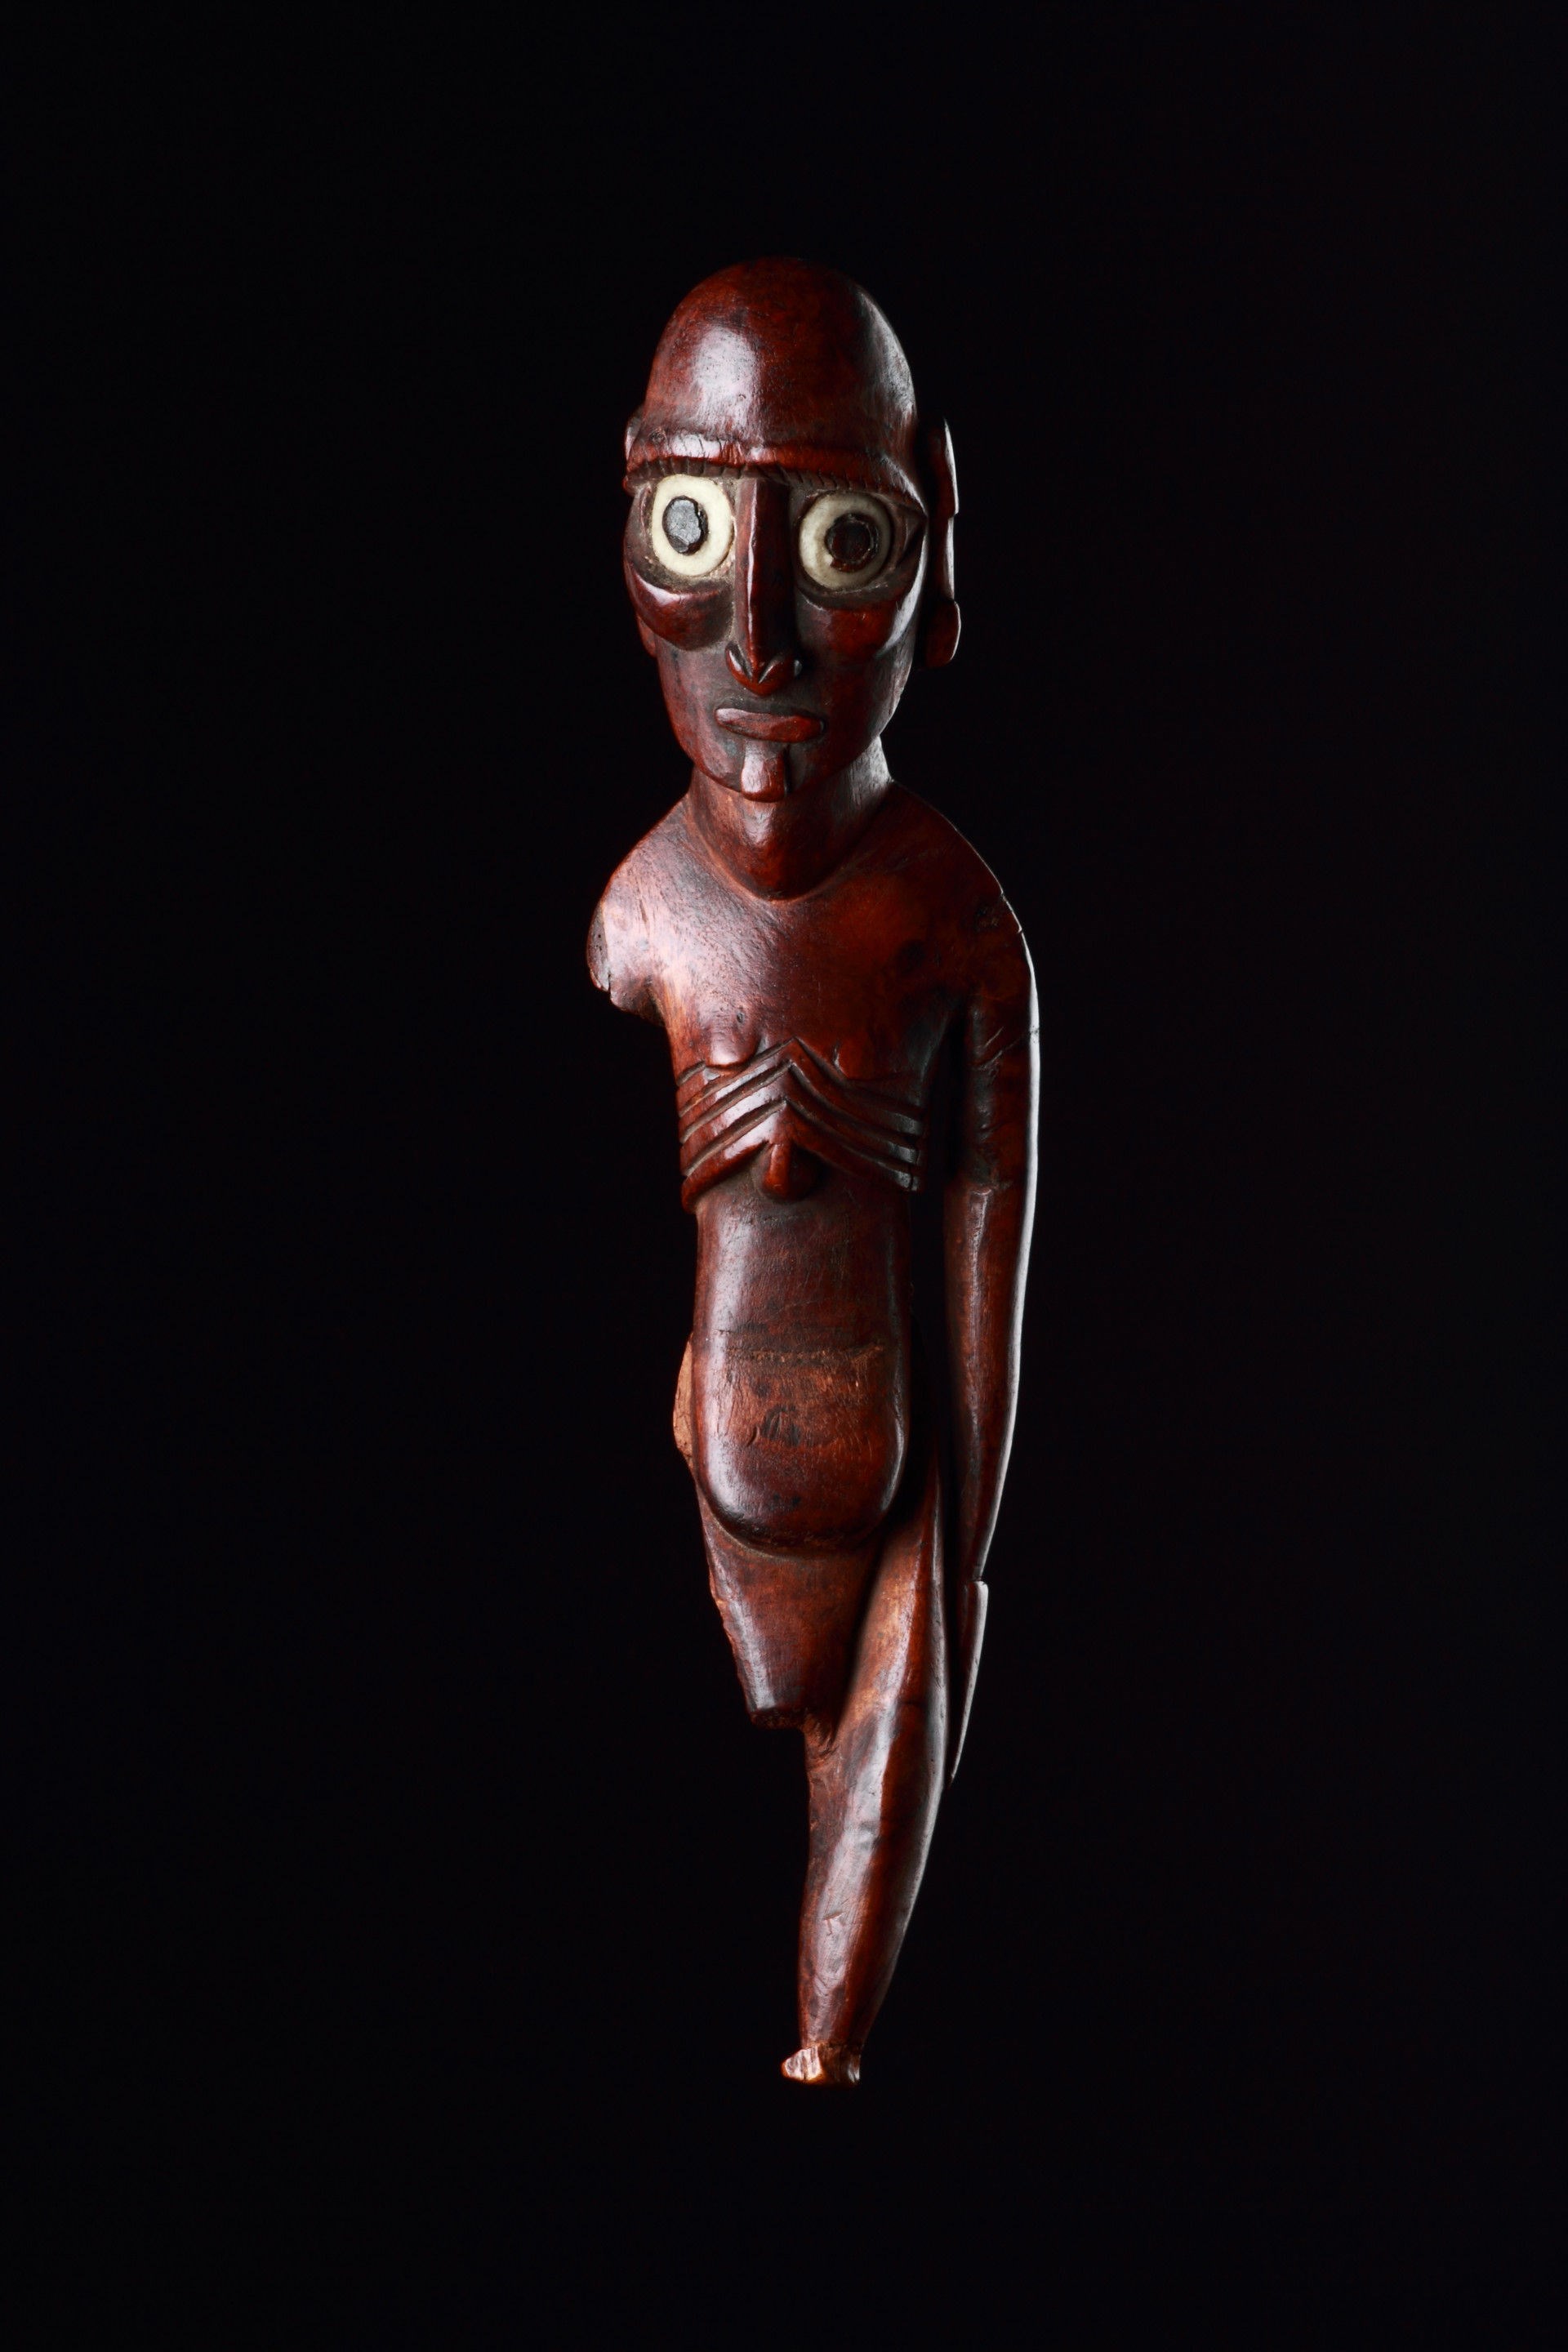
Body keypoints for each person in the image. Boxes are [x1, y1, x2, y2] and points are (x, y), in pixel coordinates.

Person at [590, 258, 1037, 2085]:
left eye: (843, 546)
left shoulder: (951, 925)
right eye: (692, 533)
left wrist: (961, 1546)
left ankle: (826, 2037)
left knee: (877, 1734)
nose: (759, 640)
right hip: (725, 1452)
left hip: (890, 1469)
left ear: (939, 571)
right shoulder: (645, 909)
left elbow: (991, 1235)